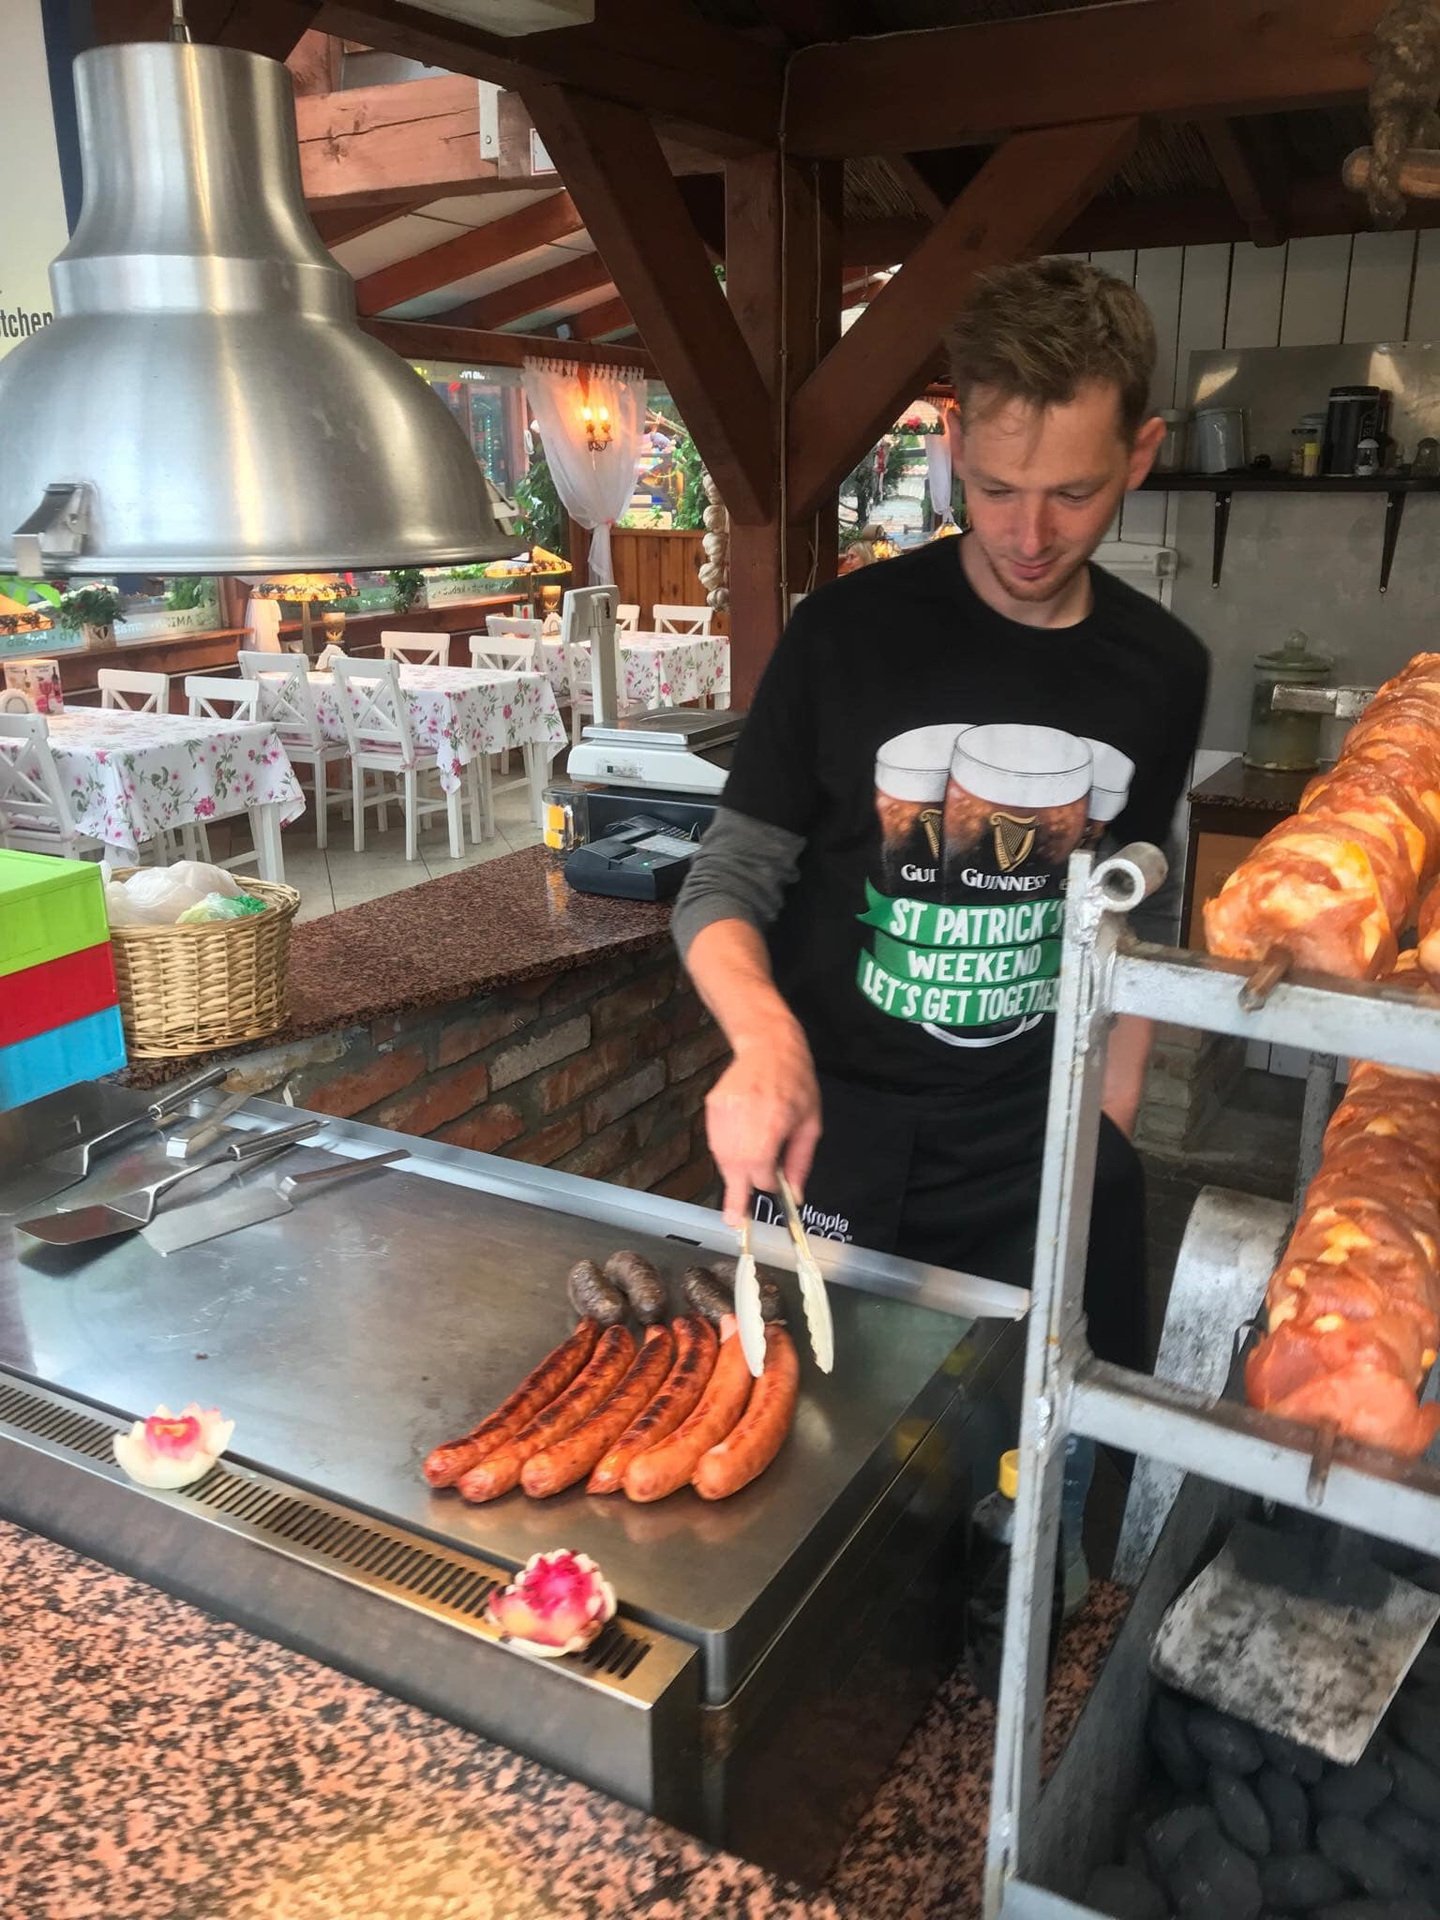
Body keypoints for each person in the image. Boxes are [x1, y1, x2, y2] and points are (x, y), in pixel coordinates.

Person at [672, 258, 1210, 1602]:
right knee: (814, 1495)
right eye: (996, 486)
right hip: (837, 1132)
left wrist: (1111, 1130)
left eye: (1074, 491)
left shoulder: (1162, 670)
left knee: (1027, 1496)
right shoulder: (846, 636)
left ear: (1140, 453)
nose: (1029, 533)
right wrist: (762, 1042)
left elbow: (1137, 910)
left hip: (1042, 1144)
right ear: (953, 440)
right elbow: (723, 880)